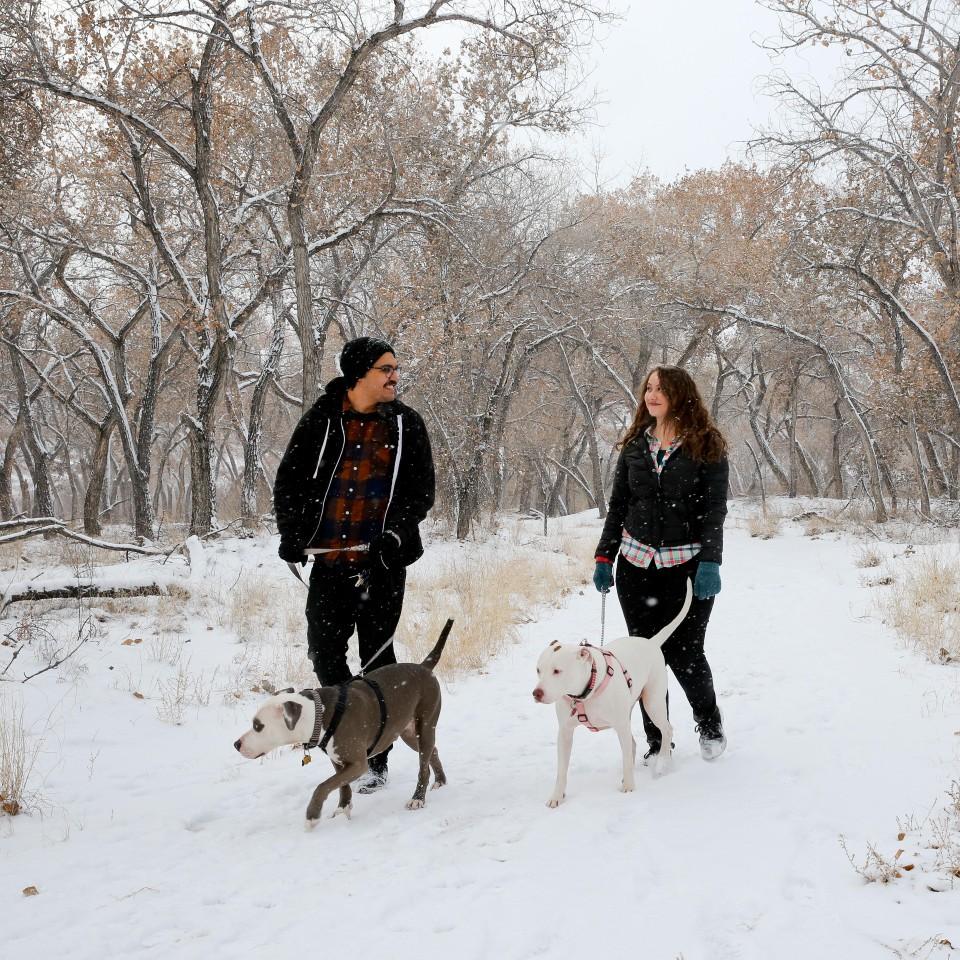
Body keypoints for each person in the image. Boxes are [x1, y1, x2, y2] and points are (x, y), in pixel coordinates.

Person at [273, 336, 435, 792]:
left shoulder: (406, 425)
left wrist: (396, 535)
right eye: (386, 369)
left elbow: (421, 493)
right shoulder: (322, 421)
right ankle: (355, 734)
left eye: (395, 368)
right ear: (358, 373)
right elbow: (290, 482)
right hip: (330, 564)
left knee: (378, 658)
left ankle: (375, 757)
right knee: (324, 653)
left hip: (382, 565)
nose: (394, 377)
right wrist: (291, 534)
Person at [593, 366, 728, 761]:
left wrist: (710, 562)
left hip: (685, 568)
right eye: (648, 388)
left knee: (686, 653)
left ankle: (709, 722)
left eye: (661, 389)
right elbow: (619, 505)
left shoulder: (707, 445)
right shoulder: (636, 444)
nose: (651, 395)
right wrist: (605, 555)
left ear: (679, 394)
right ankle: (659, 739)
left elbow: (713, 511)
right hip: (635, 567)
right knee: (645, 657)